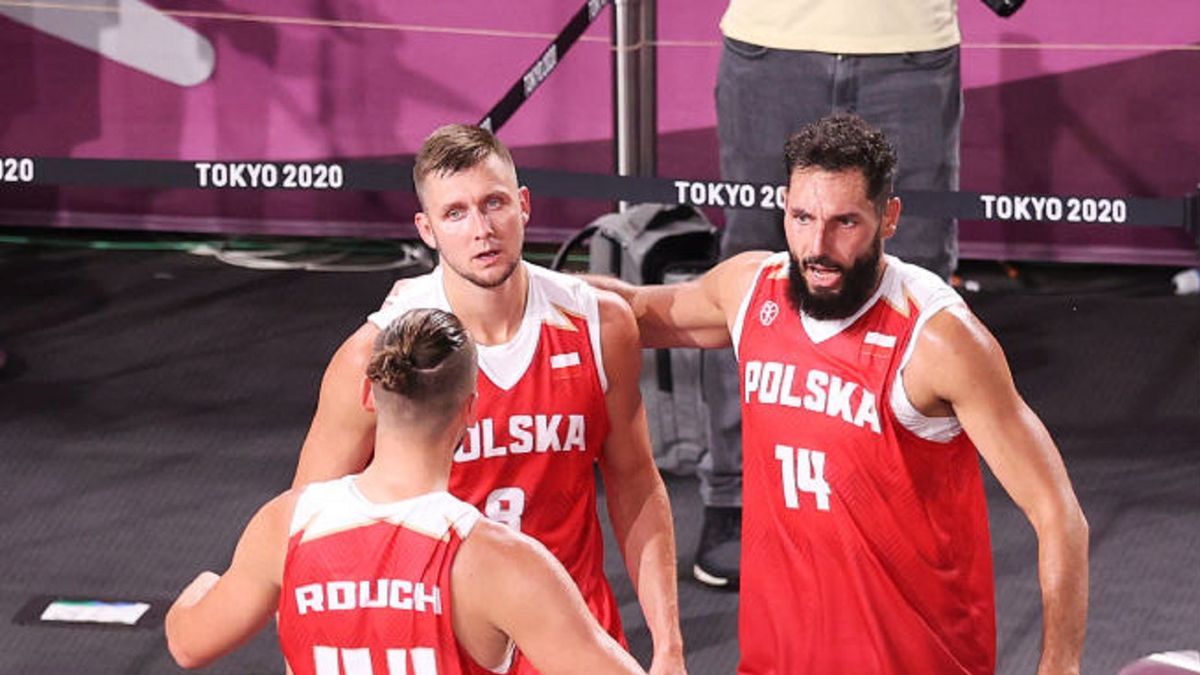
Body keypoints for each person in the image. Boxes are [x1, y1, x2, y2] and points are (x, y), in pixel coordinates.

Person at [589, 114, 1089, 674]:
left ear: (889, 218)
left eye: (844, 222)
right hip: (778, 661)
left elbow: (1057, 512)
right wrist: (510, 280)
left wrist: (1059, 666)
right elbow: (628, 310)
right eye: (802, 218)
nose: (818, 246)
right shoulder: (753, 290)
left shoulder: (937, 338)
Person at [292, 125, 685, 674]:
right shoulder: (376, 357)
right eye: (456, 213)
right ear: (427, 230)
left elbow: (635, 481)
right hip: (441, 642)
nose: (482, 230)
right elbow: (311, 525)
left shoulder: (598, 325)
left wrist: (668, 645)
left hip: (567, 638)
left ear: (523, 205)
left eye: (494, 203)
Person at [165, 309, 646, 675]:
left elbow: (188, 644)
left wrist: (203, 586)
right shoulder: (499, 562)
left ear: (368, 395)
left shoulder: (286, 525)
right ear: (471, 410)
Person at [694, 0, 968, 588]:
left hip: (910, 48)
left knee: (915, 282)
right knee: (755, 275)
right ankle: (733, 498)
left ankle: (901, 498)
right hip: (772, 41)